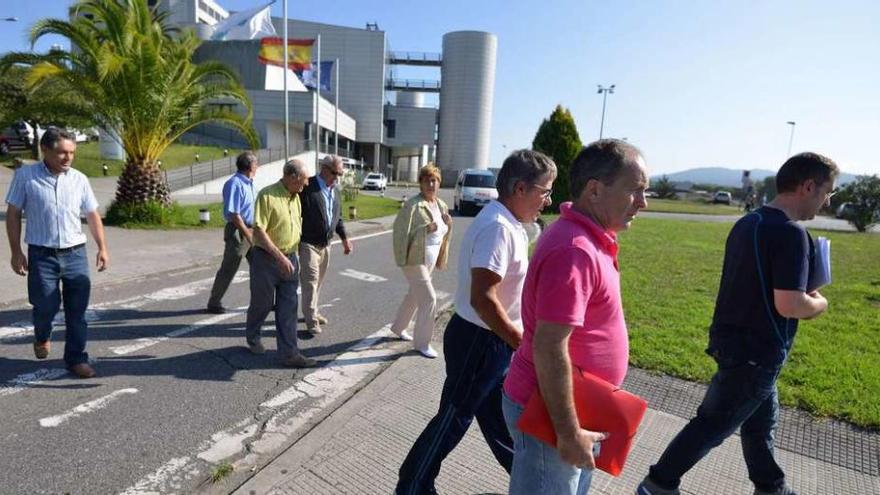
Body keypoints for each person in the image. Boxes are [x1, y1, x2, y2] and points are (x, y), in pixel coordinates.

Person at [637, 153, 838, 495]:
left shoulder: (749, 222)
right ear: (808, 186)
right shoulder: (791, 234)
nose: (827, 201)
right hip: (757, 353)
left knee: (760, 425)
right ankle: (658, 484)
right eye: (828, 192)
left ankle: (770, 485)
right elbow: (790, 304)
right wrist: (819, 303)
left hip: (732, 341)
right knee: (712, 424)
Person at [396, 150, 557, 495]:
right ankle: (412, 484)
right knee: (454, 417)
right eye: (545, 191)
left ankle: (529, 481)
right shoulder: (498, 227)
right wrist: (518, 338)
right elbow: (484, 298)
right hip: (481, 341)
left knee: (496, 420)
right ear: (519, 188)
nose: (548, 199)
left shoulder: (510, 223)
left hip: (489, 341)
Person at [502, 139, 649, 495]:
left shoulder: (591, 238)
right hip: (551, 411)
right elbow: (550, 346)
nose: (643, 203)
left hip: (578, 405)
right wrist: (567, 432)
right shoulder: (574, 250)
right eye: (636, 191)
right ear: (595, 191)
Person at [5, 127, 110, 379]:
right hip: (42, 255)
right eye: (62, 152)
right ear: (45, 150)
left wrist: (102, 248)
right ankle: (42, 335)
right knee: (44, 307)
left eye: (72, 152)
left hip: (75, 254)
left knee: (78, 312)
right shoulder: (25, 176)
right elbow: (13, 213)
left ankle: (76, 359)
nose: (68, 158)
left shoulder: (79, 179)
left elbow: (92, 214)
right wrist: (16, 251)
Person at [244, 159, 315, 368]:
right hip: (266, 259)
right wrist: (279, 257)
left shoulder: (296, 197)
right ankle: (253, 335)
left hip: (290, 259)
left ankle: (290, 354)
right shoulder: (267, 195)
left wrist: (294, 253)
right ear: (292, 177)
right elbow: (258, 231)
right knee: (262, 304)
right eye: (303, 180)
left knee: (288, 308)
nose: (307, 185)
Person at [390, 164, 453, 358]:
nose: (430, 184)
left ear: (439, 183)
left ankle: (399, 328)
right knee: (429, 299)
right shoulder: (413, 205)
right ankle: (422, 344)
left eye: (434, 180)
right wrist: (425, 229)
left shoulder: (441, 205)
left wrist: (448, 224)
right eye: (426, 180)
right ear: (420, 183)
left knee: (415, 296)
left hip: (429, 261)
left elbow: (443, 233)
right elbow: (400, 233)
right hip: (414, 260)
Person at [298, 155, 353, 334]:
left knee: (318, 282)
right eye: (335, 173)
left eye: (340, 174)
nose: (337, 177)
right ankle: (311, 319)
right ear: (324, 168)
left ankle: (313, 310)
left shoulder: (335, 191)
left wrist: (345, 239)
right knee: (310, 282)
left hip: (326, 244)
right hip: (308, 243)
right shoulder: (308, 186)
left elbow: (338, 218)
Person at [206, 151, 259, 314]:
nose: (258, 167)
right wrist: (247, 234)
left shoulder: (250, 183)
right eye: (256, 164)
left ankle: (262, 301)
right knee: (229, 267)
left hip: (252, 229)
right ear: (250, 166)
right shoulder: (234, 183)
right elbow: (234, 214)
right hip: (239, 231)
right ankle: (214, 302)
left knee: (260, 267)